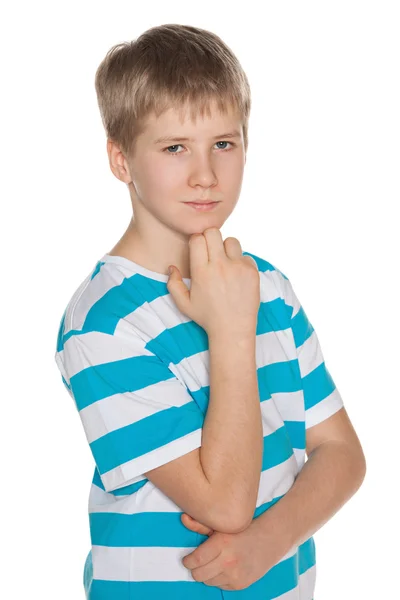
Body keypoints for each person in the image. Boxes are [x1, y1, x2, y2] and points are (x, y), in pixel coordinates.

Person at [54, 23, 366, 600]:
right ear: (121, 160)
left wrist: (267, 543)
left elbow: (343, 454)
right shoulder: (103, 323)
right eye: (175, 148)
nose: (206, 174)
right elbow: (225, 501)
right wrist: (229, 332)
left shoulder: (266, 285)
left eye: (224, 143)